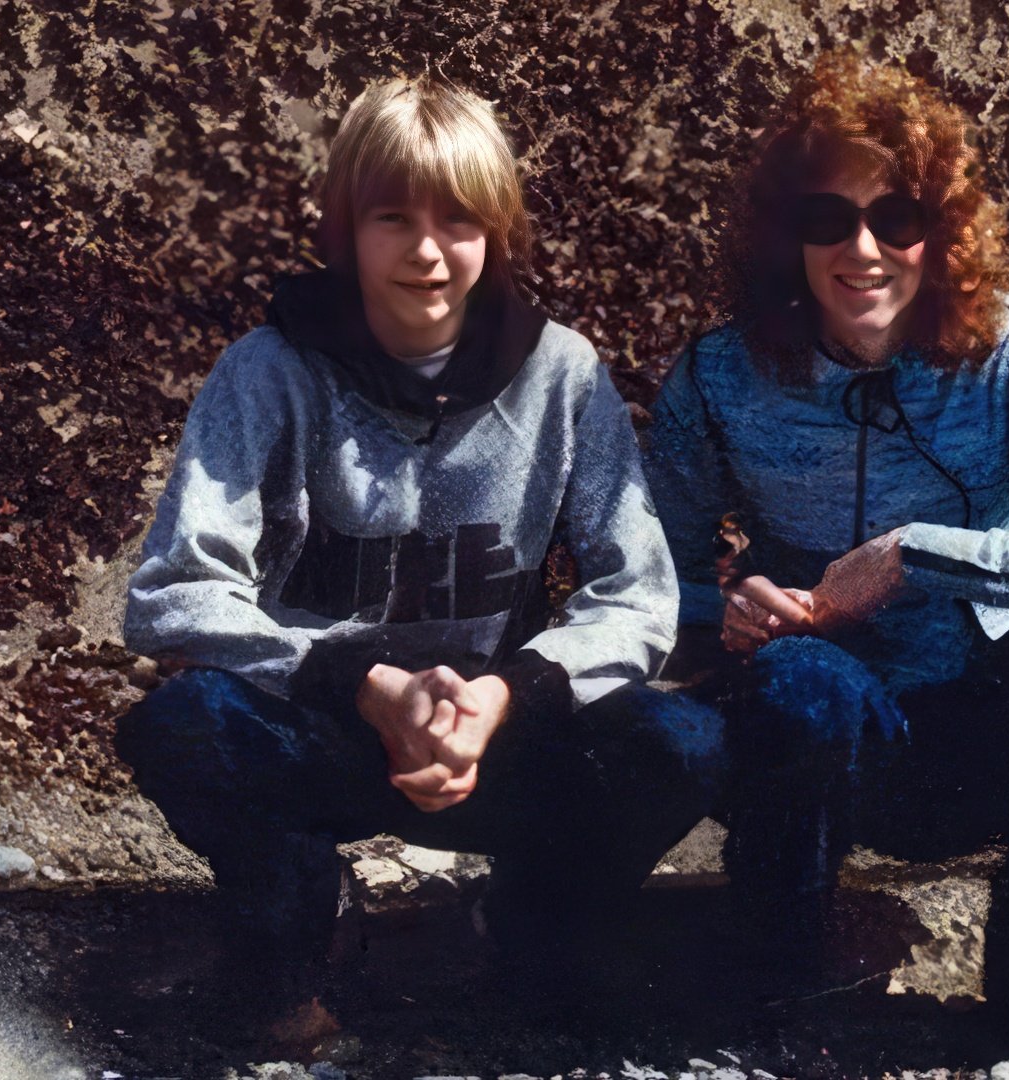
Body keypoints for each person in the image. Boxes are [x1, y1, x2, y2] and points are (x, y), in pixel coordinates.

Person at [116, 75, 720, 1032]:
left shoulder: (561, 371)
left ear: (497, 232)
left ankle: (524, 925)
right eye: (393, 217)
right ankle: (299, 943)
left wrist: (503, 696)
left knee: (680, 741)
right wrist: (365, 686)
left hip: (491, 738)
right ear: (346, 227)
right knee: (184, 722)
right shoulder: (267, 371)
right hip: (324, 730)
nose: (429, 252)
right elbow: (174, 592)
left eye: (459, 219)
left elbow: (640, 598)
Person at [642, 53, 1009, 1066]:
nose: (862, 250)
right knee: (800, 681)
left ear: (941, 232)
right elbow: (640, 582)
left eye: (896, 219)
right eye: (825, 220)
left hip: (981, 721)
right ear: (785, 236)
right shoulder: (719, 375)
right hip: (811, 722)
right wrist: (728, 614)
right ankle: (784, 989)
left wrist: (914, 556)